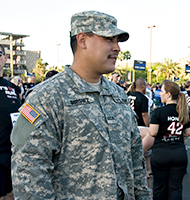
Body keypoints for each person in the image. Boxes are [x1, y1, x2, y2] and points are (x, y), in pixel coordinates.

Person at [10, 11, 151, 199]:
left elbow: (135, 162)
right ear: (82, 40)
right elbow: (28, 172)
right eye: (109, 39)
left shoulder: (118, 95)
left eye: (117, 41)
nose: (117, 48)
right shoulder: (46, 97)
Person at [149, 81, 190, 200]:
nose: (160, 94)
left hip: (161, 153)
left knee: (159, 187)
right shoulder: (183, 112)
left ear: (168, 94)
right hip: (179, 153)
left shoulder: (158, 112)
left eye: (162, 91)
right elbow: (188, 133)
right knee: (176, 187)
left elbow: (153, 132)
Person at [0, 44, 21, 200]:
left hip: (12, 154)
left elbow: (24, 113)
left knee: (11, 195)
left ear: (5, 58)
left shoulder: (13, 88)